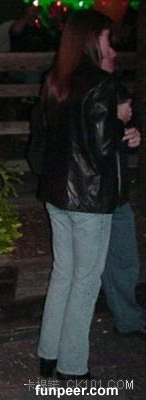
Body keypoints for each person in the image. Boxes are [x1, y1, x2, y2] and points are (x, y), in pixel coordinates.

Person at [29, 9, 124, 380]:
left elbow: (53, 139)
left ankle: (49, 355)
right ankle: (72, 367)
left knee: (63, 274)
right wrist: (120, 122)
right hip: (88, 197)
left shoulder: (56, 80)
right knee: (85, 281)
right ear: (93, 38)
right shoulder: (101, 83)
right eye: (107, 38)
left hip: (57, 193)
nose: (111, 46)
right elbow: (101, 148)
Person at [99, 40, 145, 340]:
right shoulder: (77, 88)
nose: (114, 52)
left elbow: (124, 131)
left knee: (125, 258)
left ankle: (128, 319)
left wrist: (131, 135)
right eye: (107, 44)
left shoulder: (112, 85)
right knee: (82, 271)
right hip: (89, 194)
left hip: (114, 189)